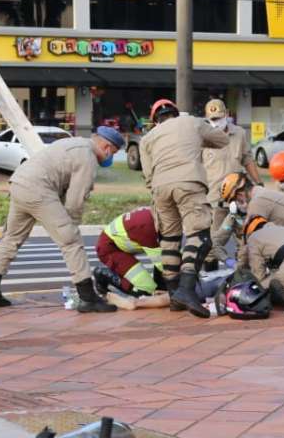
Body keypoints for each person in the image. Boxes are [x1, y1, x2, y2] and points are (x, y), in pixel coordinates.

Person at [0, 126, 125, 312]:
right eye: (112, 153)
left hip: (19, 183)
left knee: (11, 239)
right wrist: (69, 228)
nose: (110, 157)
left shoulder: (73, 142)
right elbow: (75, 200)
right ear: (107, 147)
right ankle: (87, 297)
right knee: (71, 240)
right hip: (39, 189)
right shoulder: (88, 158)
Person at [138, 98, 229, 318]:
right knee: (200, 235)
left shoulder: (147, 138)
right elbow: (222, 139)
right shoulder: (192, 123)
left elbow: (147, 176)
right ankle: (187, 288)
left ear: (154, 120)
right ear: (176, 113)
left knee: (169, 240)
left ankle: (174, 295)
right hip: (188, 181)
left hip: (160, 187)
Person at [201, 98, 261, 269]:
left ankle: (242, 272)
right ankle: (210, 275)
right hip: (215, 200)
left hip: (239, 197)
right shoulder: (202, 138)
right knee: (213, 243)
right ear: (207, 118)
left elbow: (247, 159)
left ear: (226, 114)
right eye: (213, 120)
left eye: (219, 118)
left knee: (245, 239)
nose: (217, 122)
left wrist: (258, 182)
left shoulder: (239, 133)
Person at [219, 171, 284, 245]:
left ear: (240, 194)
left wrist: (239, 268)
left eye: (234, 200)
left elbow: (250, 243)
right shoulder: (263, 192)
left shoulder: (257, 203)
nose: (237, 203)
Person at [92, 206, 164, 297]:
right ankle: (102, 274)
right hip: (110, 248)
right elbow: (162, 263)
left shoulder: (161, 216)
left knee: (160, 289)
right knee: (147, 290)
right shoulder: (148, 226)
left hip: (120, 242)